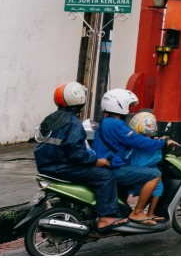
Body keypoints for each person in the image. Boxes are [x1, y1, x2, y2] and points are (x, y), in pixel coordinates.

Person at [34, 82, 127, 233]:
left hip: (47, 166)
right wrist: (95, 161)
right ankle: (106, 217)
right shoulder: (72, 122)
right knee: (106, 176)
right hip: (63, 168)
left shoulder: (51, 118)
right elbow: (76, 153)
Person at [94, 89, 178, 226]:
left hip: (108, 165)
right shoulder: (117, 124)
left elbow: (133, 139)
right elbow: (138, 141)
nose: (129, 108)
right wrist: (163, 143)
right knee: (155, 174)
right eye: (128, 105)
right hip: (115, 168)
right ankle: (138, 212)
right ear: (120, 105)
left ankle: (125, 212)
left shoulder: (106, 122)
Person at [126, 112, 165, 222]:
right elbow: (156, 156)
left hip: (132, 168)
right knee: (158, 186)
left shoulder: (135, 139)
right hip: (142, 171)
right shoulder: (146, 142)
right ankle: (147, 212)